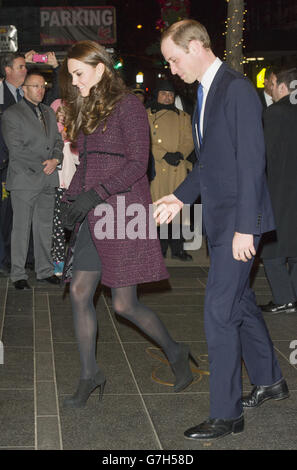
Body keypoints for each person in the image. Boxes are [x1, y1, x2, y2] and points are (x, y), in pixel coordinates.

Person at [154, 19, 288, 441]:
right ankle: (270, 380)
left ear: (196, 46)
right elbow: (211, 159)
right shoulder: (204, 91)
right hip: (221, 220)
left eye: (174, 59)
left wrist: (247, 228)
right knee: (239, 302)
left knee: (218, 311)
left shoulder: (237, 90)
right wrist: (179, 196)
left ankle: (227, 414)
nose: (172, 70)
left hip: (238, 224)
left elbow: (252, 163)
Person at [59, 40, 197, 408]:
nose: (74, 82)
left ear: (100, 69)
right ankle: (90, 374)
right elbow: (86, 164)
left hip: (122, 213)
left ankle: (176, 350)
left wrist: (95, 194)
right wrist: (69, 200)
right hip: (92, 212)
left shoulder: (129, 107)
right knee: (79, 292)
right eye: (71, 75)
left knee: (123, 305)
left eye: (79, 74)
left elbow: (138, 164)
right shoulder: (88, 108)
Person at [1, 71, 63, 289]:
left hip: (48, 178)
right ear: (24, 89)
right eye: (35, 86)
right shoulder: (11, 114)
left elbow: (58, 141)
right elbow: (16, 150)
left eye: (43, 86)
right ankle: (18, 274)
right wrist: (44, 164)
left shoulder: (48, 112)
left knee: (44, 227)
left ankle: (44, 270)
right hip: (25, 179)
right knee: (21, 228)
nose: (41, 90)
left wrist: (56, 159)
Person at [259, 68, 297, 314]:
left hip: (279, 189)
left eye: (273, 86)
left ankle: (284, 298)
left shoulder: (274, 113)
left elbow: (265, 155)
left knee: (271, 249)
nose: (271, 91)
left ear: (282, 87)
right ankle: (292, 295)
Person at [147, 80, 194, 260]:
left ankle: (177, 249)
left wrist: (180, 153)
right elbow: (146, 140)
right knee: (158, 208)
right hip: (158, 167)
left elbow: (189, 140)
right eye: (164, 94)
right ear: (157, 95)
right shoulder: (147, 115)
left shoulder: (183, 116)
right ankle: (158, 249)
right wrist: (163, 154)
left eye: (170, 94)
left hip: (178, 167)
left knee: (178, 210)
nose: (168, 97)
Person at [0, 52, 27, 276]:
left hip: (24, 166)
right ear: (7, 70)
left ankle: (15, 257)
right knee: (4, 213)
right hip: (4, 164)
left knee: (18, 214)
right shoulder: (0, 93)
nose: (25, 70)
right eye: (20, 67)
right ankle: (2, 259)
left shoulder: (27, 95)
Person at [50, 98, 79, 277]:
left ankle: (75, 259)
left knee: (74, 224)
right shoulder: (49, 135)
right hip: (53, 187)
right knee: (57, 227)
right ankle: (58, 261)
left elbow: (79, 160)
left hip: (71, 187)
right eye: (58, 113)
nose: (62, 117)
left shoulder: (75, 136)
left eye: (65, 113)